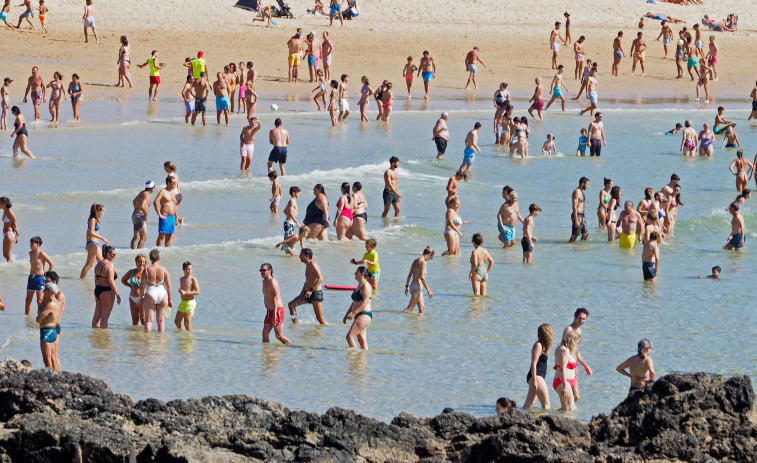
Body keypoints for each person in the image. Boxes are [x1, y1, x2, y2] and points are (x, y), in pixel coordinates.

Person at [288, 248, 325, 324]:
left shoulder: (312, 264)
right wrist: (302, 293)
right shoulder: (307, 265)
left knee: (319, 318)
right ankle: (294, 325)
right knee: (291, 305)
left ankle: (324, 334)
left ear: (307, 256)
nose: (299, 256)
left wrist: (311, 290)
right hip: (307, 292)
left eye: (301, 254)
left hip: (315, 293)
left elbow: (320, 278)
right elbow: (308, 281)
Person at [140, 249, 172, 332]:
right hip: (162, 294)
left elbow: (142, 285)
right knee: (161, 321)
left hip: (151, 293)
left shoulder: (146, 270)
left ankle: (148, 342)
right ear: (159, 258)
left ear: (150, 259)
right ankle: (160, 342)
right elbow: (169, 286)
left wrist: (141, 297)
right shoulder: (164, 269)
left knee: (149, 320)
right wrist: (170, 299)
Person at [260, 263, 292, 345]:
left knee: (279, 336)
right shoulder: (264, 281)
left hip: (277, 311)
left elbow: (275, 299)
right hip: (269, 311)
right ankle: (267, 354)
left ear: (270, 271)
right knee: (265, 333)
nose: (262, 272)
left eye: (264, 270)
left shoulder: (273, 282)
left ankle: (293, 347)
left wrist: (274, 315)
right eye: (261, 270)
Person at [523, 324, 552, 410]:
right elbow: (534, 364)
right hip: (536, 376)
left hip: (537, 376)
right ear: (546, 333)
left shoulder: (543, 346)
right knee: (546, 405)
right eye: (550, 331)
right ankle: (546, 422)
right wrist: (535, 380)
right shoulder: (538, 345)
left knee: (528, 406)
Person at [343, 266, 372, 349]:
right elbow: (354, 302)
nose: (354, 274)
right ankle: (362, 360)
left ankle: (354, 357)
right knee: (361, 340)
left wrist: (354, 313)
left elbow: (365, 301)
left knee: (349, 337)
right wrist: (346, 314)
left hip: (364, 315)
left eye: (356, 272)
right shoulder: (359, 285)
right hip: (358, 315)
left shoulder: (366, 286)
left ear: (362, 274)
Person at [92, 245, 120, 328]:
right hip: (107, 291)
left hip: (98, 290)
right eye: (113, 255)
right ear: (108, 254)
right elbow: (111, 281)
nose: (115, 256)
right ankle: (103, 338)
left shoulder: (98, 264)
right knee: (105, 317)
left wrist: (97, 291)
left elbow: (96, 280)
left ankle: (95, 335)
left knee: (97, 315)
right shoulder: (110, 265)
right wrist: (117, 295)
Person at [36, 282, 62, 371]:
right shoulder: (58, 303)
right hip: (53, 330)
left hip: (47, 330)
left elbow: (38, 319)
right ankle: (57, 376)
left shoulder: (50, 304)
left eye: (45, 290)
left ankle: (50, 377)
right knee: (53, 356)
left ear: (49, 291)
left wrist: (41, 319)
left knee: (47, 358)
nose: (43, 292)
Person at [25, 236, 53, 315]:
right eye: (30, 244)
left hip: (40, 278)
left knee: (39, 300)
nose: (30, 245)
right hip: (31, 277)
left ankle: (41, 317)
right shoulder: (30, 253)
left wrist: (47, 277)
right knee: (28, 299)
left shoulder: (42, 254)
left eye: (32, 244)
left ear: (38, 244)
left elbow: (51, 264)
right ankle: (27, 318)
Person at [553, 330, 580, 411]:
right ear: (572, 341)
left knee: (566, 408)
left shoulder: (562, 348)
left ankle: (552, 416)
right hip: (562, 381)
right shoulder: (564, 350)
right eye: (577, 342)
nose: (578, 344)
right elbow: (563, 369)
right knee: (569, 408)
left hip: (562, 380)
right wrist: (564, 386)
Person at [403, 246, 434, 313]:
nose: (429, 259)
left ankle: (417, 323)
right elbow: (422, 278)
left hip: (413, 287)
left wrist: (407, 286)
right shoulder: (423, 262)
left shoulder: (415, 261)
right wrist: (429, 290)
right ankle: (399, 320)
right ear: (429, 255)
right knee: (409, 309)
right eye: (430, 258)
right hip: (417, 288)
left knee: (422, 309)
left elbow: (409, 274)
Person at [79, 203, 106, 278]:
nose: (103, 214)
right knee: (89, 265)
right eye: (102, 212)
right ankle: (81, 280)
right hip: (93, 244)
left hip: (96, 245)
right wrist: (102, 238)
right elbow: (91, 232)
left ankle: (101, 280)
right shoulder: (92, 219)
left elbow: (87, 232)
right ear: (98, 211)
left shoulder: (95, 220)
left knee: (103, 263)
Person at [120, 254, 147, 326]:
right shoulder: (131, 272)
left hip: (143, 298)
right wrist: (130, 286)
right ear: (136, 261)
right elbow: (123, 280)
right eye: (140, 261)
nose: (142, 263)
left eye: (143, 262)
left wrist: (146, 290)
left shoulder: (146, 272)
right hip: (132, 298)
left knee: (143, 319)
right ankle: (135, 336)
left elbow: (152, 283)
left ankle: (145, 336)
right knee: (135, 320)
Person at [154, 176, 179, 247]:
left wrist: (176, 217)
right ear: (168, 183)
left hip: (172, 217)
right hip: (164, 217)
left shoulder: (174, 192)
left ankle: (167, 254)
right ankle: (157, 252)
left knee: (169, 238)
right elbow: (155, 202)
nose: (175, 184)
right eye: (173, 183)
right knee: (161, 236)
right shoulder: (163, 191)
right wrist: (160, 214)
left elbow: (174, 205)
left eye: (175, 183)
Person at [175, 261, 199, 331]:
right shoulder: (181, 279)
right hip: (183, 302)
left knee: (187, 323)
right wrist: (180, 291)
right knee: (177, 321)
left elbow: (198, 292)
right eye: (188, 269)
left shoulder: (193, 279)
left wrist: (185, 293)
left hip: (190, 302)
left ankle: (189, 339)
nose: (190, 271)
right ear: (183, 269)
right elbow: (183, 289)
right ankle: (183, 336)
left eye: (191, 269)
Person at [129, 180, 154, 249]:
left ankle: (132, 252)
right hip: (140, 216)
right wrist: (146, 214)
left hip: (135, 215)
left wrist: (136, 209)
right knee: (144, 237)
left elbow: (134, 201)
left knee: (136, 237)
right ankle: (139, 254)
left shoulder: (142, 193)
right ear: (152, 188)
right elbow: (143, 206)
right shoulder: (147, 195)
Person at [569, 177, 590, 242]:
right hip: (577, 215)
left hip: (582, 215)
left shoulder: (581, 192)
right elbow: (574, 206)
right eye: (586, 184)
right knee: (575, 234)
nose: (587, 186)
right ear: (582, 183)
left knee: (585, 234)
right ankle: (569, 246)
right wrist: (576, 220)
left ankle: (580, 248)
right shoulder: (576, 192)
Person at [0, 196, 19, 262]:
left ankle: (12, 267)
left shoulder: (10, 213)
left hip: (9, 234)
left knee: (8, 256)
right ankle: (12, 266)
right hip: (6, 235)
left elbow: (15, 224)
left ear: (4, 203)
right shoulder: (4, 211)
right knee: (5, 255)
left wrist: (17, 236)